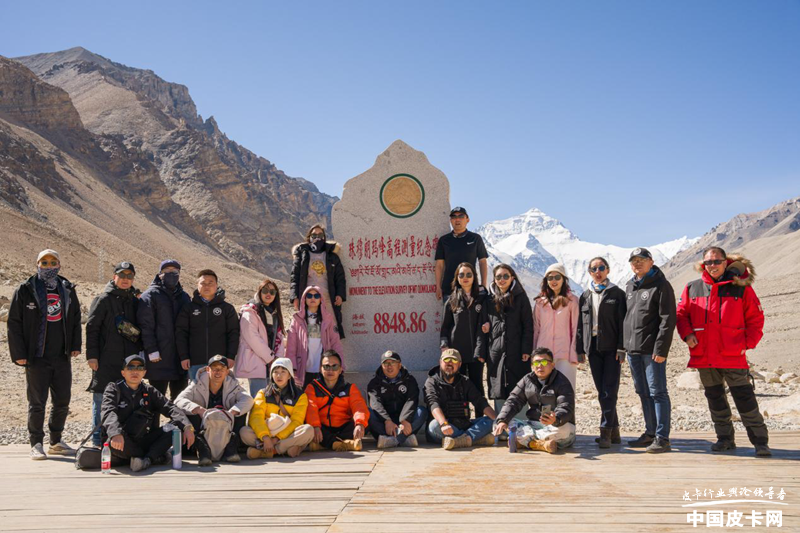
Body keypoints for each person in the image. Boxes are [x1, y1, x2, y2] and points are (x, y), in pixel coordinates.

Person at [676, 248, 770, 457]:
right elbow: (681, 315)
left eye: (716, 261)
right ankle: (725, 439)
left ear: (725, 262)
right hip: (704, 355)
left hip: (732, 355)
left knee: (745, 399)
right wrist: (687, 334)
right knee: (715, 399)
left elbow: (756, 318)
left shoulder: (741, 288)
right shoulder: (692, 287)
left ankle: (760, 442)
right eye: (708, 262)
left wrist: (747, 344)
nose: (712, 265)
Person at [8, 249, 81, 460]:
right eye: (44, 262)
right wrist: (19, 353)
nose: (49, 266)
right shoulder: (26, 289)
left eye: (53, 262)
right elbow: (14, 323)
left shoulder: (67, 289)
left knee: (62, 401)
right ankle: (36, 443)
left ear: (59, 265)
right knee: (37, 403)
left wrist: (75, 345)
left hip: (61, 356)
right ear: (37, 265)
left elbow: (75, 319)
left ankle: (56, 441)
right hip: (36, 356)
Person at [101, 354, 194, 473]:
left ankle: (146, 460)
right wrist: (115, 433)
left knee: (175, 428)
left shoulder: (149, 391)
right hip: (122, 440)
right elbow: (108, 412)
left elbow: (170, 408)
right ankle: (155, 456)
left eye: (139, 368)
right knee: (110, 443)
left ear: (144, 372)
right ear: (123, 372)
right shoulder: (114, 389)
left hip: (143, 439)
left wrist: (187, 427)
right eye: (130, 368)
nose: (135, 371)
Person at [623, 248, 676, 454]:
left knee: (658, 392)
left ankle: (663, 438)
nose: (637, 263)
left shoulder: (661, 285)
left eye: (642, 260)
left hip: (652, 351)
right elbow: (627, 318)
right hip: (633, 350)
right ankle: (650, 433)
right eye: (634, 260)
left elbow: (667, 320)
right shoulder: (630, 286)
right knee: (643, 392)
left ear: (651, 262)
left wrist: (661, 348)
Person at [85, 261, 143, 447]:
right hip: (105, 359)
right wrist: (92, 355)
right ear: (114, 277)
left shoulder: (135, 302)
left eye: (129, 276)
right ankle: (97, 440)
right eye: (122, 275)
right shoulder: (103, 300)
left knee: (126, 398)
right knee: (101, 398)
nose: (125, 279)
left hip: (129, 361)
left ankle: (121, 441)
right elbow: (92, 328)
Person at [576, 257, 627, 448]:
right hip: (592, 348)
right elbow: (580, 325)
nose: (598, 272)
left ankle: (605, 432)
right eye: (594, 269)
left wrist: (622, 348)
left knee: (609, 391)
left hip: (612, 348)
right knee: (602, 391)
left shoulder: (617, 294)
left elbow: (623, 323)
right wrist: (579, 349)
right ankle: (615, 432)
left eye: (601, 268)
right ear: (589, 272)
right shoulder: (585, 296)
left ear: (608, 270)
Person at [174, 355, 254, 465]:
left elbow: (248, 400)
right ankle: (202, 449)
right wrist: (199, 409)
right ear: (208, 370)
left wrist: (231, 413)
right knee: (190, 413)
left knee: (240, 413)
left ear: (227, 371)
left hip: (225, 427)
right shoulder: (197, 383)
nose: (218, 372)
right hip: (203, 428)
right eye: (214, 369)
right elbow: (178, 400)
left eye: (222, 369)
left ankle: (230, 450)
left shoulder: (232, 384)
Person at [493, 348, 576, 453]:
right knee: (508, 423)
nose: (540, 366)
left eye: (544, 362)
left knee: (566, 430)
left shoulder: (562, 382)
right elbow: (513, 401)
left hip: (556, 425)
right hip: (536, 425)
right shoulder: (527, 380)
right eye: (536, 362)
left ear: (552, 365)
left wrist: (556, 419)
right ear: (532, 366)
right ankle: (539, 444)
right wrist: (502, 420)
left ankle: (527, 441)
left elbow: (566, 407)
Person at [480, 264, 533, 417]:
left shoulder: (521, 297)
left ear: (512, 278)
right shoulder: (489, 299)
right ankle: (502, 424)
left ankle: (521, 423)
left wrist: (526, 349)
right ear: (494, 279)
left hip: (517, 351)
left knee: (519, 386)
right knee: (498, 386)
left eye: (505, 276)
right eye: (498, 277)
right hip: (495, 352)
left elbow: (528, 325)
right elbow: (483, 323)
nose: (502, 280)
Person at [137, 259, 191, 399]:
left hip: (180, 359)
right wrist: (151, 350)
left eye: (175, 271)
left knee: (180, 400)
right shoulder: (150, 296)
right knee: (157, 399)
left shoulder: (184, 297)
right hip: (158, 358)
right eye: (167, 271)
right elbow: (146, 326)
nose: (171, 274)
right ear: (160, 274)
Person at [240, 358, 315, 459]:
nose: (279, 375)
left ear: (289, 375)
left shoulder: (300, 396)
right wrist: (265, 437)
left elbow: (297, 421)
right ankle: (285, 448)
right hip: (267, 432)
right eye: (275, 372)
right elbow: (256, 417)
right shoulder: (263, 393)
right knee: (244, 432)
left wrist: (276, 439)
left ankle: (269, 451)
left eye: (283, 372)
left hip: (286, 433)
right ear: (271, 375)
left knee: (308, 430)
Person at [424, 348, 496, 450]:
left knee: (491, 420)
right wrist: (444, 423)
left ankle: (462, 440)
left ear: (459, 364)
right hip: (445, 427)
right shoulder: (431, 382)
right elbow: (433, 403)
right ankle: (474, 438)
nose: (450, 363)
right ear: (440, 362)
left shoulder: (465, 381)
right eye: (446, 360)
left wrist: (498, 420)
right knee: (433, 426)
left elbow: (480, 401)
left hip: (464, 424)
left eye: (454, 360)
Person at [176, 269, 239, 382]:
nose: (207, 286)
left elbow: (233, 333)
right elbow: (181, 333)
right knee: (197, 391)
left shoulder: (227, 308)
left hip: (220, 362)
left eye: (210, 283)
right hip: (195, 362)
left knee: (219, 391)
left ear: (216, 285)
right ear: (197, 285)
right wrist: (184, 356)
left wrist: (231, 356)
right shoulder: (188, 308)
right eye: (203, 283)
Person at [440, 262, 490, 393]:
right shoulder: (451, 300)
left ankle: (480, 408)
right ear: (457, 278)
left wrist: (488, 325)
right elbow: (445, 327)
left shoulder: (483, 297)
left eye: (469, 274)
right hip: (457, 353)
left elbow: (490, 319)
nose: (465, 277)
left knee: (477, 387)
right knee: (459, 387)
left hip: (476, 352)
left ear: (474, 277)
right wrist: (444, 346)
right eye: (461, 275)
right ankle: (462, 408)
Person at [289, 224, 346, 338]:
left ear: (324, 237)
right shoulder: (302, 255)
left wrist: (340, 294)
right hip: (309, 298)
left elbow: (340, 277)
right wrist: (294, 297)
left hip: (328, 297)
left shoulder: (331, 256)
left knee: (331, 329)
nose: (317, 238)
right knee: (311, 329)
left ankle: (330, 349)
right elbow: (294, 277)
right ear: (309, 237)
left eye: (320, 235)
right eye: (314, 235)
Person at [305, 351, 368, 451]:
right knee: (308, 426)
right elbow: (311, 409)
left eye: (334, 366)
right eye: (326, 366)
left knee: (365, 421)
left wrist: (359, 424)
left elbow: (359, 406)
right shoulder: (312, 387)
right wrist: (315, 426)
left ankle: (326, 444)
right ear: (320, 369)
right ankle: (346, 444)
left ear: (340, 370)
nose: (330, 370)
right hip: (322, 428)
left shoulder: (349, 387)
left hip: (344, 427)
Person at [285, 286, 344, 388]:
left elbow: (335, 343)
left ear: (321, 299)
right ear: (304, 299)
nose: (313, 298)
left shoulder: (328, 319)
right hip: (302, 369)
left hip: (323, 369)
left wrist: (340, 365)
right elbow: (291, 346)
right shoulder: (297, 319)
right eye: (309, 296)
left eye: (316, 296)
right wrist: (291, 367)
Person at [235, 278, 286, 397]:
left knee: (270, 401)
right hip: (256, 363)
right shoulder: (250, 311)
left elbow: (279, 337)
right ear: (259, 291)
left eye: (272, 292)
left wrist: (278, 359)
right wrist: (270, 357)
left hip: (271, 364)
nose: (269, 294)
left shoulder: (274, 313)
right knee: (259, 400)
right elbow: (252, 337)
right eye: (265, 290)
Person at [533, 263, 580, 389]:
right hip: (543, 353)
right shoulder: (539, 302)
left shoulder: (572, 300)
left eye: (557, 277)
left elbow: (575, 328)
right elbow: (536, 328)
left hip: (565, 353)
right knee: (545, 390)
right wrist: (534, 353)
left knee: (566, 389)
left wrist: (574, 352)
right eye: (550, 278)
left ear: (563, 279)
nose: (553, 281)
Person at [367, 351, 427, 449]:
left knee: (422, 411)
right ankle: (403, 439)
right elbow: (375, 404)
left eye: (393, 363)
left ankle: (391, 441)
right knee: (368, 413)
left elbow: (411, 400)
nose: (389, 366)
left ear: (399, 365)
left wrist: (405, 420)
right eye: (386, 363)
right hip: (384, 425)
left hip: (403, 423)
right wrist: (387, 421)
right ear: (382, 366)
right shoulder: (374, 383)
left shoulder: (409, 380)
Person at [435, 207, 489, 301]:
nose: (457, 219)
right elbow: (439, 265)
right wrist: (438, 287)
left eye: (461, 216)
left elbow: (482, 262)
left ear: (467, 220)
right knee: (449, 311)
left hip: (471, 290)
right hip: (449, 290)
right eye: (454, 217)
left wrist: (483, 284)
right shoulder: (444, 240)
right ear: (450, 220)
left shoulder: (475, 238)